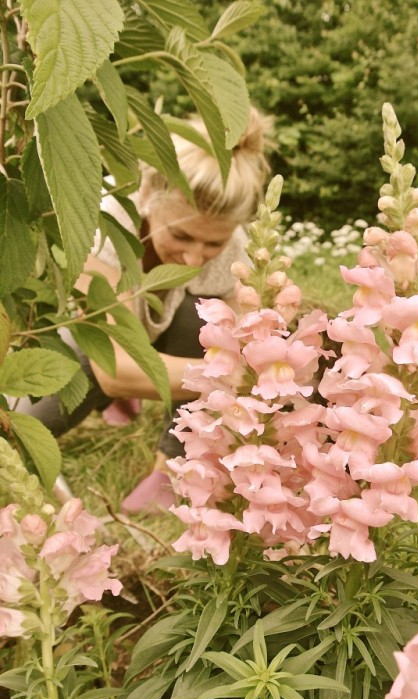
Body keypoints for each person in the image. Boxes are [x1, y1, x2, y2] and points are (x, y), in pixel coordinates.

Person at [22, 107, 273, 513]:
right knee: (20, 430)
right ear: (147, 198)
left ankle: (171, 467)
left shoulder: (235, 248)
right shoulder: (103, 222)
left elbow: (238, 342)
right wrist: (233, 375)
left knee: (206, 321)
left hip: (160, 329)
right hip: (91, 337)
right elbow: (115, 369)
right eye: (181, 235)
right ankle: (126, 396)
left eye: (212, 244)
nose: (195, 257)